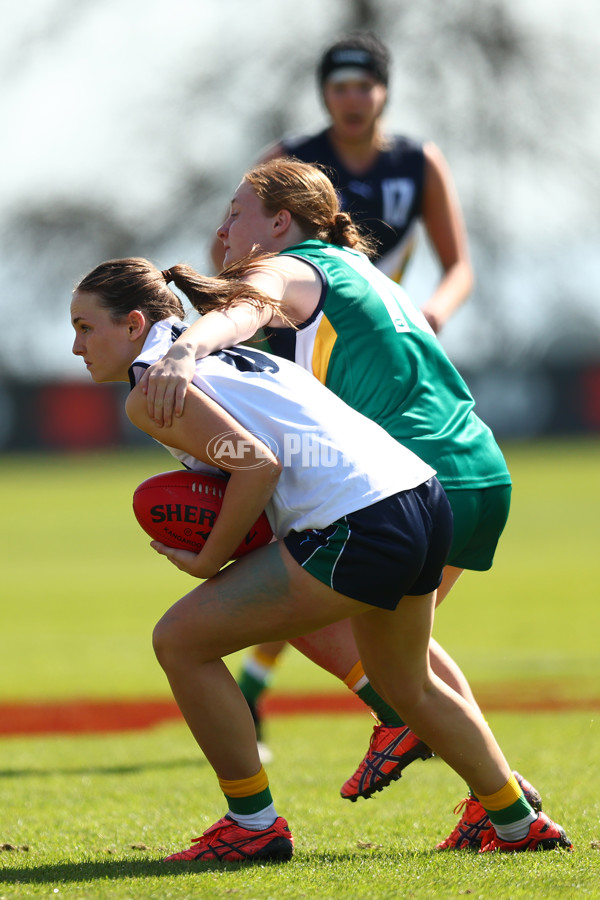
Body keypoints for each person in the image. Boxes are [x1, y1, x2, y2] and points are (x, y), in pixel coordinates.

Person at [71, 256, 572, 860]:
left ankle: (251, 827)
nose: (75, 346)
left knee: (180, 640)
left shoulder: (154, 387)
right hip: (421, 495)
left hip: (361, 521)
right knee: (407, 686)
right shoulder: (226, 350)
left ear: (132, 325)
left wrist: (208, 560)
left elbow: (257, 463)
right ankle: (517, 824)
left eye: (83, 326)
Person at [210, 31, 475, 736]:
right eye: (339, 87)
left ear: (384, 91)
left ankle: (383, 707)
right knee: (314, 541)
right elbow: (231, 242)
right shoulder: (290, 161)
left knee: (330, 552)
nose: (351, 98)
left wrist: (432, 314)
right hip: (302, 351)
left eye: (364, 85)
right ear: (324, 94)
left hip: (377, 357)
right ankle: (415, 724)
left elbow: (458, 265)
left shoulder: (417, 162)